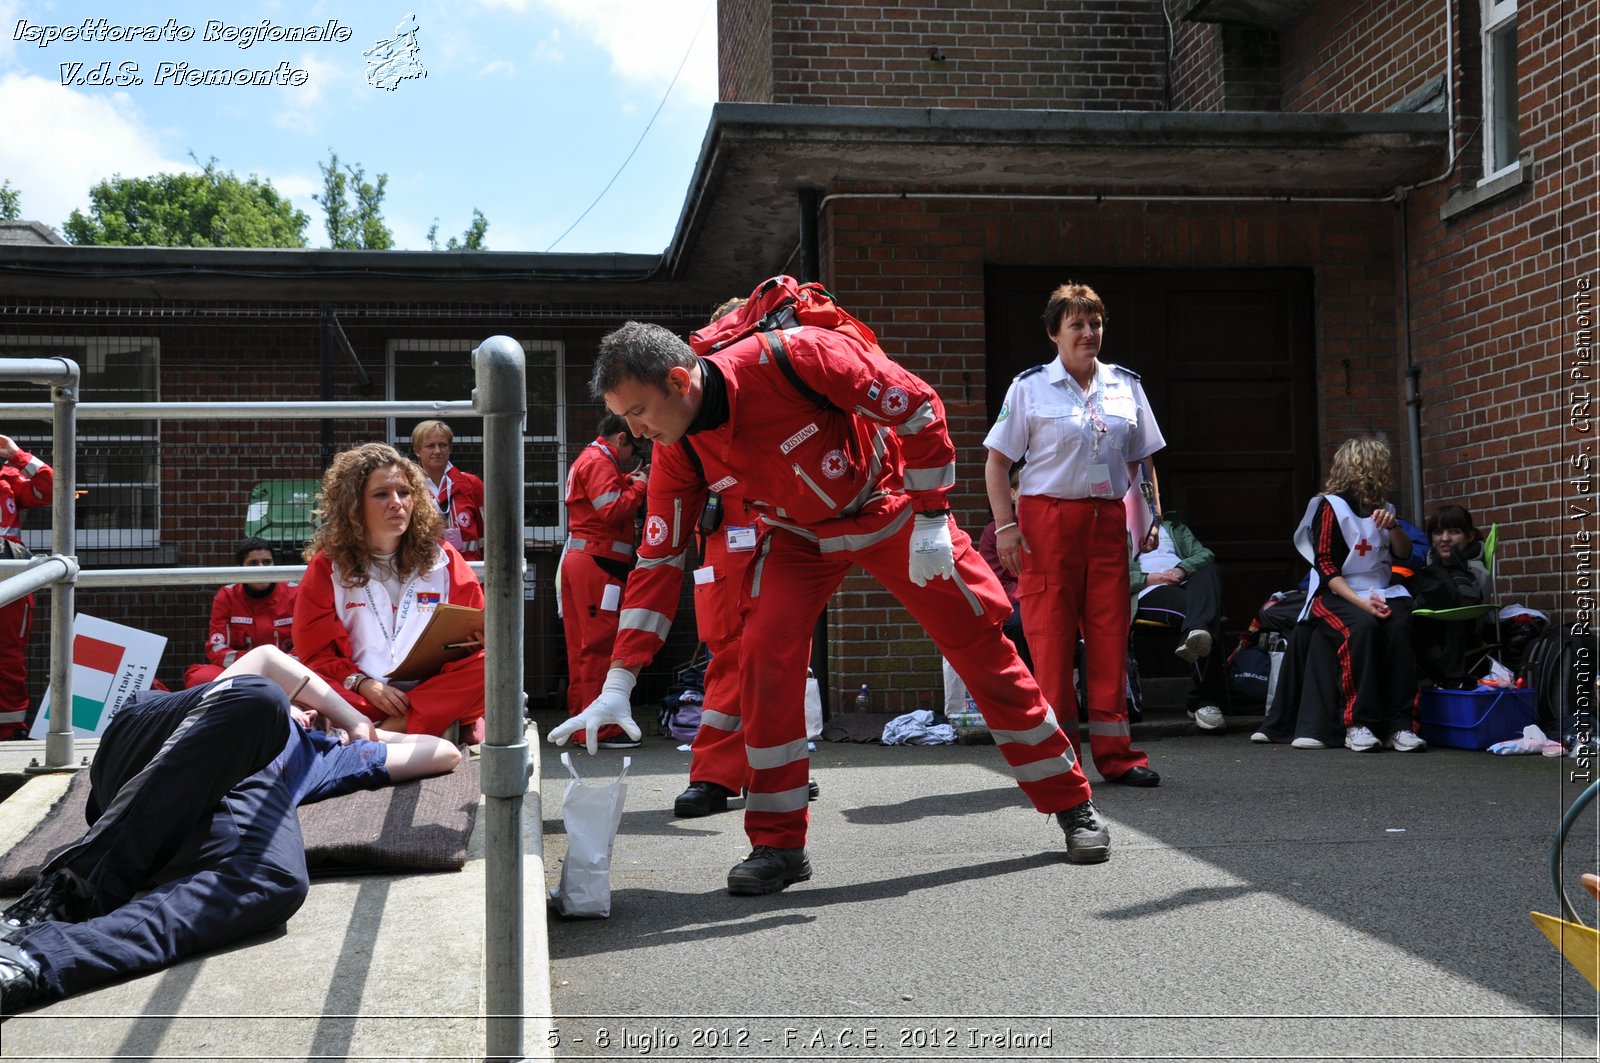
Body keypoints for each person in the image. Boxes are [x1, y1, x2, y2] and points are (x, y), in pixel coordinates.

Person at [550, 276, 1111, 895]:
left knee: (980, 645)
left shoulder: (797, 356)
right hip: (797, 534)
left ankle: (1071, 805)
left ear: (680, 382)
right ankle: (777, 845)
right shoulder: (679, 448)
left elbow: (920, 407)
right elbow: (657, 562)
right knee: (762, 656)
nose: (635, 431)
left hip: (890, 508)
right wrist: (619, 682)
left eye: (637, 413)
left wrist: (930, 514)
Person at [0, 645, 461, 1014]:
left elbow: (443, 753)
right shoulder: (253, 689)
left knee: (279, 881)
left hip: (228, 802)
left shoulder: (322, 754)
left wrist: (353, 737)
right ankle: (78, 886)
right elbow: (266, 658)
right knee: (260, 702)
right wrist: (352, 715)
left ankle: (35, 960)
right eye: (310, 699)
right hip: (165, 739)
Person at [983, 282, 1164, 787]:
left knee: (1110, 639)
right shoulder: (1028, 387)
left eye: (1095, 323)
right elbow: (997, 465)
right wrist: (1006, 528)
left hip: (1106, 523)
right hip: (1046, 525)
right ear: (1053, 334)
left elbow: (1142, 459)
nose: (1089, 333)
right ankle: (1061, 761)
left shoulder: (1126, 385)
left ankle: (1118, 756)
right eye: (1077, 325)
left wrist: (1149, 518)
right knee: (1052, 644)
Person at [293, 442, 486, 739]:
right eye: (381, 494)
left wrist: (476, 642)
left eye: (405, 492)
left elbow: (475, 626)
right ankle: (432, 722)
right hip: (360, 696)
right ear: (354, 505)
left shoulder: (444, 557)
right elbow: (315, 655)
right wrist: (362, 683)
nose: (397, 502)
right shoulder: (327, 566)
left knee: (494, 666)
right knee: (301, 681)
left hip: (431, 686)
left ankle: (385, 732)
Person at [1253, 436, 1423, 752]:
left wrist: (1394, 526)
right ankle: (1357, 723)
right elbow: (1326, 566)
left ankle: (1400, 726)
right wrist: (1362, 604)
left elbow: (1403, 553)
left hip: (1381, 591)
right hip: (1335, 594)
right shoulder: (1330, 507)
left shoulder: (1385, 509)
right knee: (1362, 627)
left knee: (1401, 625)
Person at [560, 414, 649, 749]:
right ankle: (599, 729)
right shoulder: (599, 462)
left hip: (585, 562)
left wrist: (627, 482)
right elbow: (611, 511)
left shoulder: (591, 458)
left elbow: (600, 502)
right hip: (599, 564)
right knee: (598, 646)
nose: (632, 458)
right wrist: (639, 486)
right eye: (633, 448)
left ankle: (581, 721)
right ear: (621, 438)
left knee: (581, 647)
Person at [1129, 514, 1230, 731]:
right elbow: (1108, 574)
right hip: (1149, 589)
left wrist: (1181, 570)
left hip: (1186, 582)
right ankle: (1205, 701)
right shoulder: (1118, 527)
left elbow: (1204, 554)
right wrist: (1150, 578)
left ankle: (1196, 631)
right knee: (1202, 616)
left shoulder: (1172, 526)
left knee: (1209, 570)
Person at [183, 537, 298, 688]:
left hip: (287, 669)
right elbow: (216, 648)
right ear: (241, 568)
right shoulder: (227, 596)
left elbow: (307, 645)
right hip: (240, 671)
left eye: (267, 562)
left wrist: (278, 666)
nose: (261, 568)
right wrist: (254, 665)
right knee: (199, 679)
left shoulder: (295, 593)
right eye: (253, 563)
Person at [0, 433, 51, 740]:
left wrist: (16, 454)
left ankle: (8, 730)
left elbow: (52, 488)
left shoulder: (8, 476)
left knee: (8, 654)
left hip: (8, 569)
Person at [975, 464, 1032, 673]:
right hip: (1014, 599)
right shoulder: (993, 533)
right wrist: (1024, 596)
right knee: (1018, 623)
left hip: (1044, 594)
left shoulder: (1044, 524)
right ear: (1012, 493)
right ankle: (1029, 681)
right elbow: (995, 579)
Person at [411, 420, 485, 561]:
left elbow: (488, 535)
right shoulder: (408, 486)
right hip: (425, 573)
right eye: (430, 446)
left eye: (443, 445)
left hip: (469, 572)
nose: (437, 451)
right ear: (417, 450)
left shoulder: (471, 484)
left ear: (450, 449)